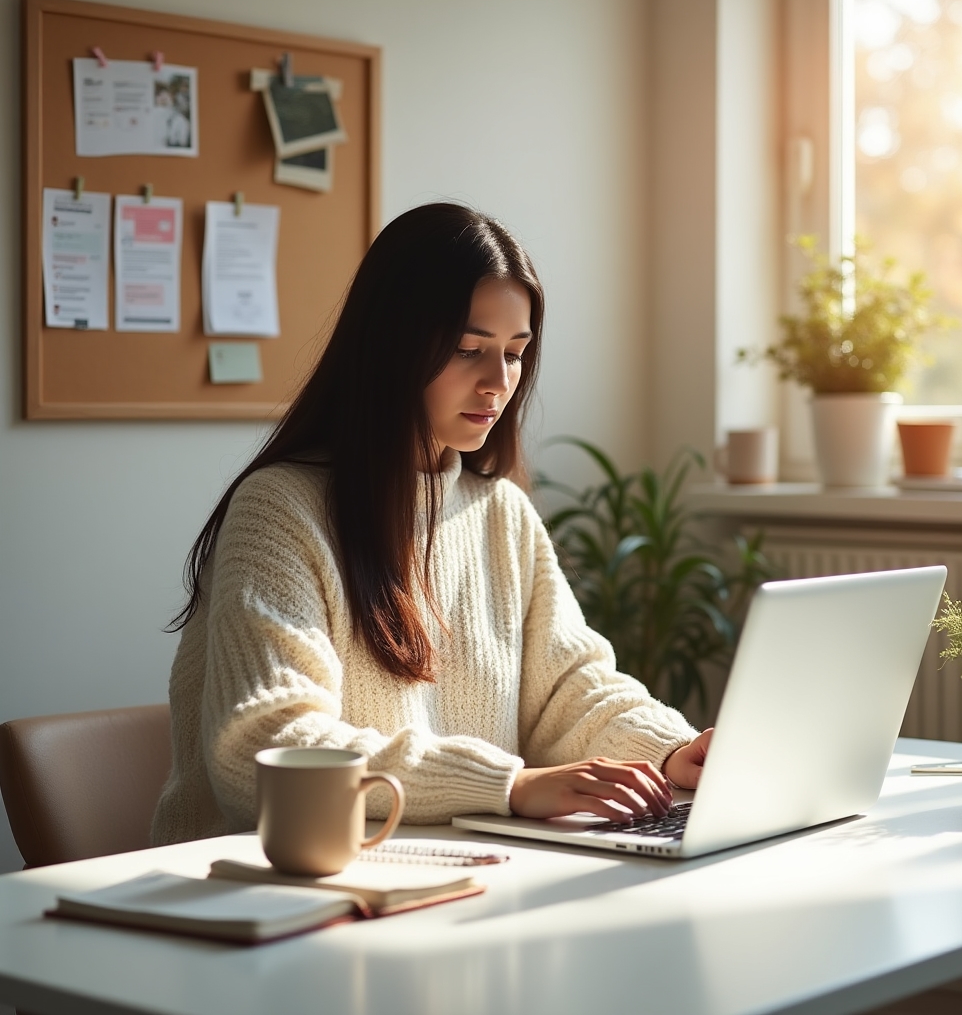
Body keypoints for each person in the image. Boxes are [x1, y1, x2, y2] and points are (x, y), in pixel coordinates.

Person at [151, 202, 711, 846]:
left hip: (447, 871)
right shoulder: (280, 510)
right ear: (393, 348)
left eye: (515, 353)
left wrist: (674, 751)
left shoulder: (501, 512)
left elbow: (566, 690)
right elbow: (269, 744)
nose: (497, 382)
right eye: (469, 349)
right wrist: (504, 787)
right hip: (262, 888)